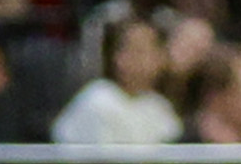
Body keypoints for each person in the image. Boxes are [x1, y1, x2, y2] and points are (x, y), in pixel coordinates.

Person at [53, 13, 181, 147]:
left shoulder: (158, 105)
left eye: (152, 49)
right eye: (137, 50)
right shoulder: (98, 100)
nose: (145, 59)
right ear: (115, 57)